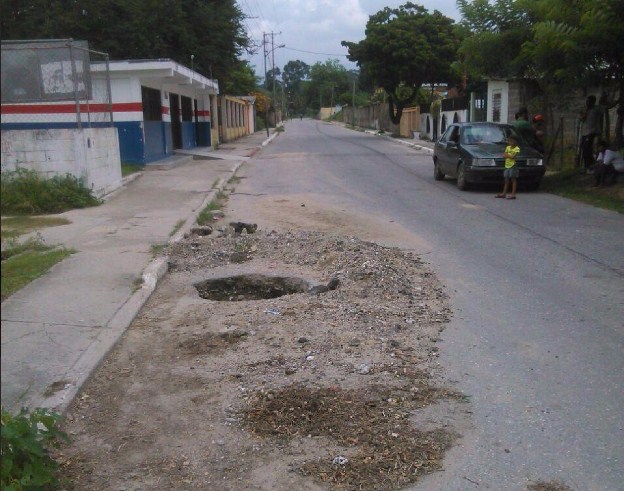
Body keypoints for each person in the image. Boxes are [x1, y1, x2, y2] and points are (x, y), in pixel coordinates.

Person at [579, 95, 603, 172]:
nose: (587, 103)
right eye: (587, 101)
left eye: (589, 101)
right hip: (585, 132)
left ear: (593, 102)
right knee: (584, 148)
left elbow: (602, 111)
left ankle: (591, 164)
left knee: (587, 148)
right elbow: (582, 119)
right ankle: (588, 165)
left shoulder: (596, 109)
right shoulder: (586, 110)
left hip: (592, 132)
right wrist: (584, 113)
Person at [496, 134, 521, 199]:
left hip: (513, 165)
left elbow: (513, 157)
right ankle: (504, 193)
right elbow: (504, 155)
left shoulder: (517, 149)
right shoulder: (508, 147)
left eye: (512, 141)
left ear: (516, 142)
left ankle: (513, 194)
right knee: (506, 179)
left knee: (513, 179)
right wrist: (508, 155)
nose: (510, 142)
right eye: (509, 141)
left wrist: (508, 155)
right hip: (507, 165)